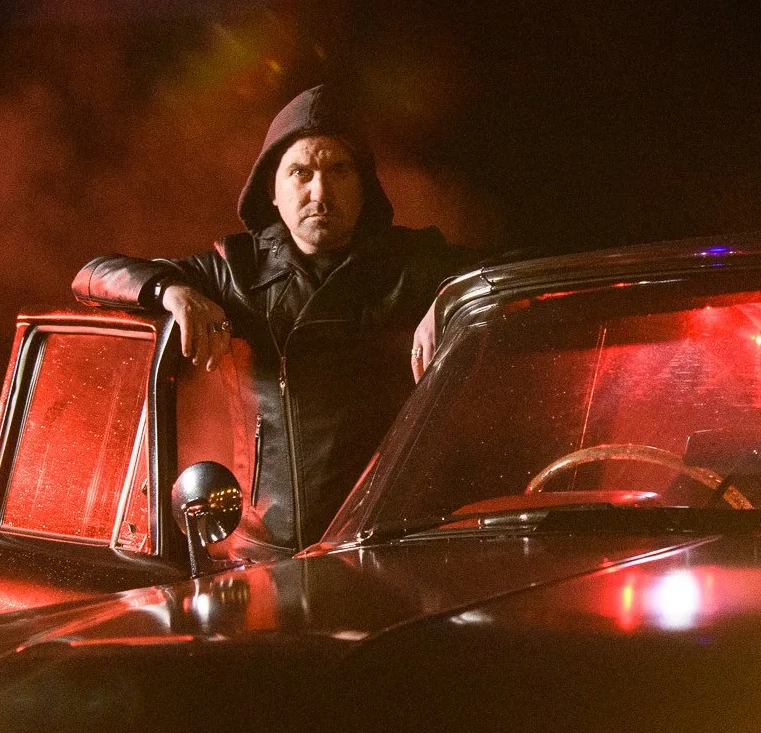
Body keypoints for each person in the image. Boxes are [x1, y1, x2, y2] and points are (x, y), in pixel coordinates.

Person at [73, 87, 470, 552]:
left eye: (338, 171)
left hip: (393, 543)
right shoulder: (234, 269)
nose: (320, 192)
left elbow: (516, 272)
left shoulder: (414, 262)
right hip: (270, 551)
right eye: (300, 173)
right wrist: (171, 290)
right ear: (272, 189)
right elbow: (92, 274)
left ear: (364, 185)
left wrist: (453, 296)